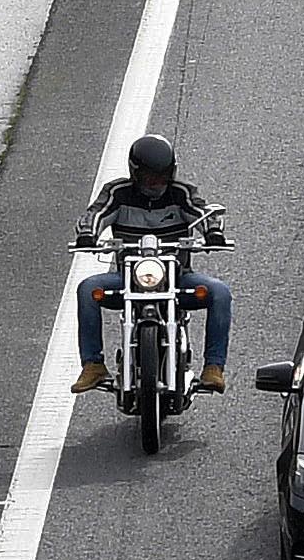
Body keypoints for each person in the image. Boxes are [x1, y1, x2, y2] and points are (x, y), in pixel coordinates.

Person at [72, 134, 228, 392]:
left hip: (177, 278)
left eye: (162, 176)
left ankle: (214, 368)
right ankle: (93, 365)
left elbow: (202, 211)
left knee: (220, 293)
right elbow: (96, 213)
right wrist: (87, 234)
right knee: (88, 290)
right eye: (149, 177)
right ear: (135, 173)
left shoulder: (181, 194)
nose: (157, 183)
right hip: (128, 277)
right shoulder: (117, 193)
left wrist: (213, 231)